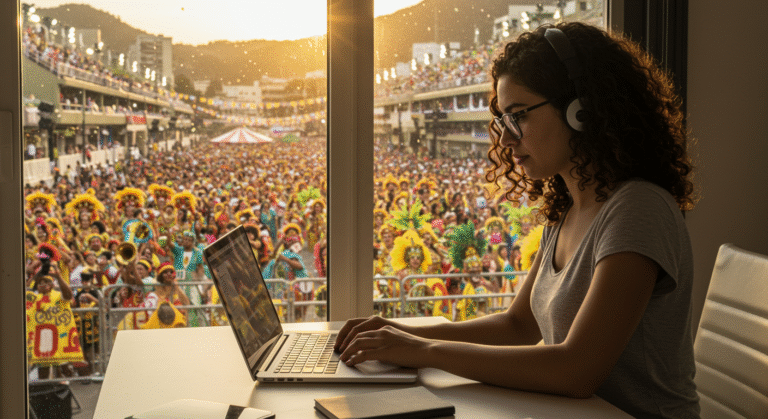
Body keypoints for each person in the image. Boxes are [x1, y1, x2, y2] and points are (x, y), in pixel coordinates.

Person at [335, 22, 699, 419]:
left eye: (518, 116)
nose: (506, 139)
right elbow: (517, 326)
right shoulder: (566, 214)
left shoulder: (638, 208)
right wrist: (399, 333)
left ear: (583, 109)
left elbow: (576, 371)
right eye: (503, 121)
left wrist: (425, 351)